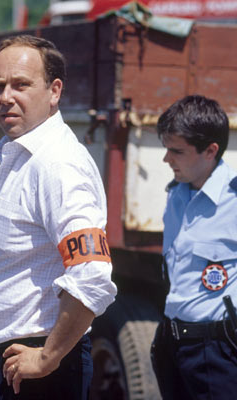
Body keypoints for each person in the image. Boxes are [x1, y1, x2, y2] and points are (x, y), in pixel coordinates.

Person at [0, 35, 117, 400]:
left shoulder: (57, 165)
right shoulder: (22, 156)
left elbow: (92, 274)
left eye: (21, 85)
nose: (5, 97)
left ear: (54, 91)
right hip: (5, 363)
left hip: (37, 372)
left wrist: (48, 357)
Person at [150, 95, 237, 399]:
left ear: (210, 151)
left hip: (217, 350)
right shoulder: (177, 194)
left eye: (176, 151)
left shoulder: (234, 200)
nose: (167, 159)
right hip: (173, 344)